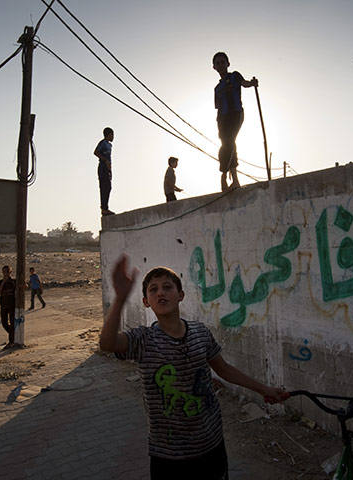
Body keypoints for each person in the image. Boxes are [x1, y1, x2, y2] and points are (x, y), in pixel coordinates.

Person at [99, 255, 289, 480]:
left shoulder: (200, 332)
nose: (161, 292)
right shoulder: (143, 340)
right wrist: (120, 297)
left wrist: (263, 389)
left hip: (211, 443)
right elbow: (108, 344)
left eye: (167, 287)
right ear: (146, 302)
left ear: (180, 296)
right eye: (153, 290)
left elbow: (224, 369)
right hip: (169, 455)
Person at [212, 51, 258, 192]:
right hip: (222, 118)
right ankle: (225, 174)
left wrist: (252, 83)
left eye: (222, 62)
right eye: (217, 63)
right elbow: (217, 106)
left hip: (235, 114)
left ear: (228, 64)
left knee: (230, 141)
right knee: (224, 145)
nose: (220, 65)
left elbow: (244, 84)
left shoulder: (234, 76)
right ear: (214, 67)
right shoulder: (217, 88)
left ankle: (233, 180)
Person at [94, 127, 115, 216]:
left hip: (107, 168)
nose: (113, 137)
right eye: (112, 135)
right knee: (104, 187)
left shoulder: (109, 145)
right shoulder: (103, 143)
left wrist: (110, 168)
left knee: (108, 187)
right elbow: (96, 152)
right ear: (109, 134)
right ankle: (104, 209)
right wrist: (105, 160)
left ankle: (106, 207)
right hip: (102, 167)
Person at [0, 265, 16, 349]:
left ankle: (12, 340)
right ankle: (14, 335)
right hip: (3, 304)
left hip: (12, 304)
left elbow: (24, 287)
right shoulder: (1, 282)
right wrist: (4, 282)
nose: (6, 273)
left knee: (12, 322)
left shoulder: (14, 281)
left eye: (7, 271)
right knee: (4, 323)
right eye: (4, 272)